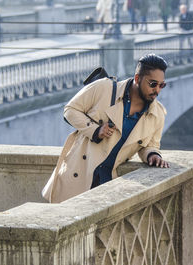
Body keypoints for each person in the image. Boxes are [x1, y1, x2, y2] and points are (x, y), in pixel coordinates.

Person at [42, 54, 170, 203]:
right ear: (137, 79)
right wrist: (95, 130)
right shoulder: (105, 88)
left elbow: (150, 145)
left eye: (162, 85)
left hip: (107, 183)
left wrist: (152, 155)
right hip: (79, 174)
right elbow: (70, 110)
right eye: (153, 84)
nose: (157, 90)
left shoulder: (157, 114)